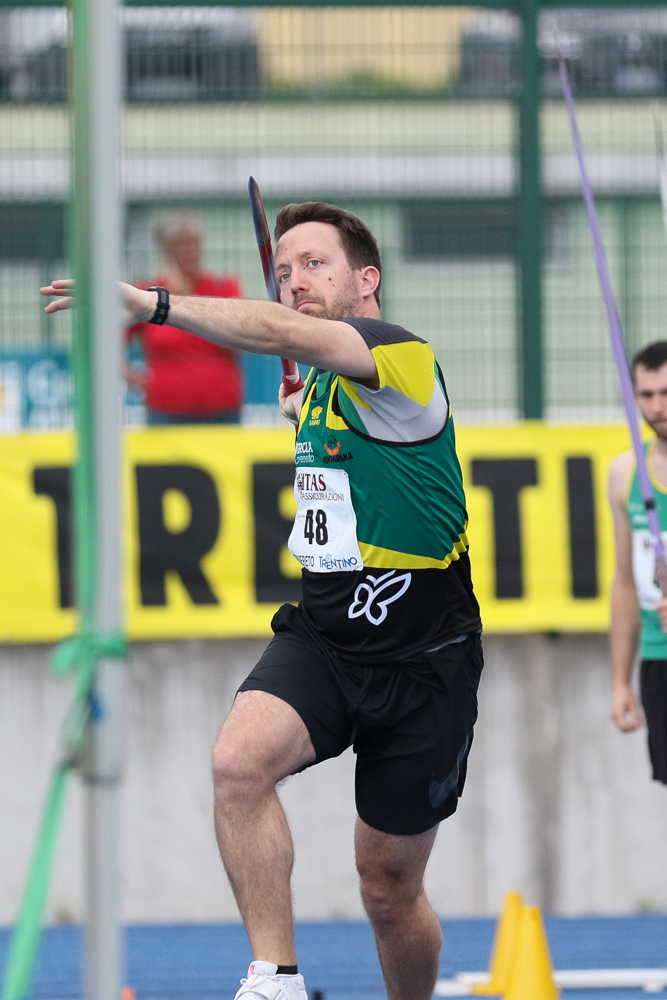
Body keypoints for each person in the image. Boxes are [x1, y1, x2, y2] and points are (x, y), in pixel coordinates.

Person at [42, 202, 483, 1000]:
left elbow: (280, 332)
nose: (294, 282)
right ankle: (274, 976)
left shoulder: (403, 357)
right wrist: (302, 412)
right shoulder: (321, 388)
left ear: (366, 279)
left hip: (424, 660)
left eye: (315, 264)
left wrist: (150, 304)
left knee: (387, 888)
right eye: (282, 271)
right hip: (327, 635)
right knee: (237, 764)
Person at [609, 340, 667, 785]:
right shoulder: (625, 472)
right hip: (657, 658)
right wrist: (620, 681)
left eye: (666, 393)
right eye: (646, 395)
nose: (657, 407)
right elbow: (626, 580)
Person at [127, 211, 245, 424]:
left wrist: (190, 300)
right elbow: (110, 338)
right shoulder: (149, 293)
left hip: (222, 410)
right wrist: (133, 377)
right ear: (167, 251)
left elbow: (239, 343)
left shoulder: (224, 288)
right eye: (180, 245)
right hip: (165, 411)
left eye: (194, 244)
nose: (189, 251)